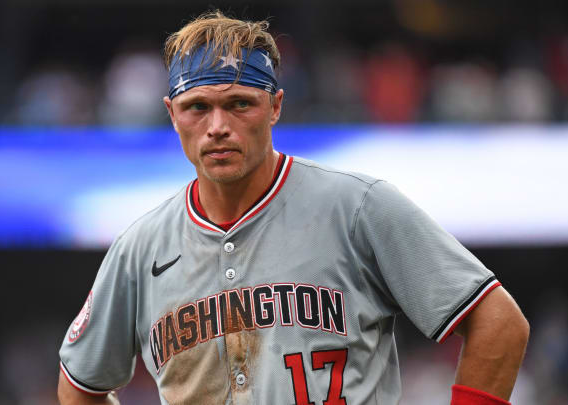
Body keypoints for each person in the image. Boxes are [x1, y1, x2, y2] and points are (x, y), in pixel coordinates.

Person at [57, 10, 529, 405]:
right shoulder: (139, 247)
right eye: (197, 107)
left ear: (276, 106)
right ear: (172, 113)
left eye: (240, 103)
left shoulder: (358, 206)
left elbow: (499, 323)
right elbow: (79, 383)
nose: (217, 126)